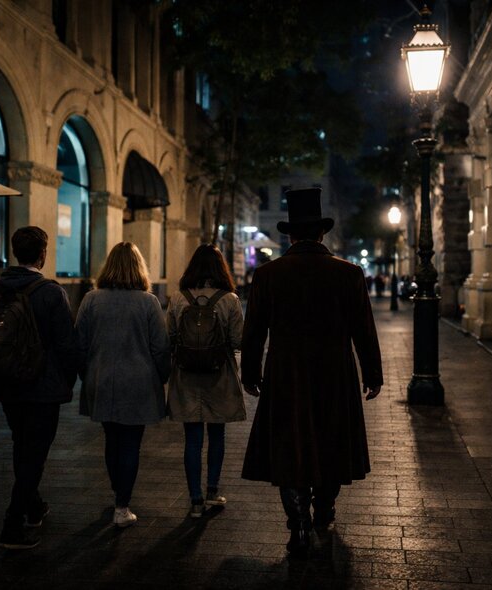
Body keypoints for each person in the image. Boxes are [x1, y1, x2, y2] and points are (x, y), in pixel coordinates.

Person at [241, 188, 383, 557]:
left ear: (291, 235)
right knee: (332, 440)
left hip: (287, 371)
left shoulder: (268, 275)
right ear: (322, 234)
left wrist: (250, 373)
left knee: (290, 444)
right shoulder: (348, 274)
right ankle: (324, 510)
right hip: (335, 371)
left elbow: (253, 331)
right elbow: (363, 329)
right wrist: (372, 373)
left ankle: (298, 524)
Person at [0, 226, 81, 550]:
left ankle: (33, 505)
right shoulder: (51, 293)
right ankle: (13, 523)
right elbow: (66, 344)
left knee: (22, 445)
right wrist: (67, 380)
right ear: (42, 254)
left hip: (8, 385)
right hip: (41, 387)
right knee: (34, 453)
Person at [75, 242, 171, 528]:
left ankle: (118, 492)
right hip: (139, 383)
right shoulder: (148, 302)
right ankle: (122, 505)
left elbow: (79, 344)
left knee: (112, 439)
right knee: (130, 443)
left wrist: (86, 374)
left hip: (101, 379)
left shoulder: (91, 300)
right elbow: (161, 348)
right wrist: (162, 377)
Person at [166, 244, 245, 518]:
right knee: (217, 434)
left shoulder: (178, 298)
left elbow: (170, 336)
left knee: (192, 439)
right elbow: (238, 340)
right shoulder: (230, 299)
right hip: (218, 375)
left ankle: (195, 500)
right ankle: (212, 491)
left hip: (186, 375)